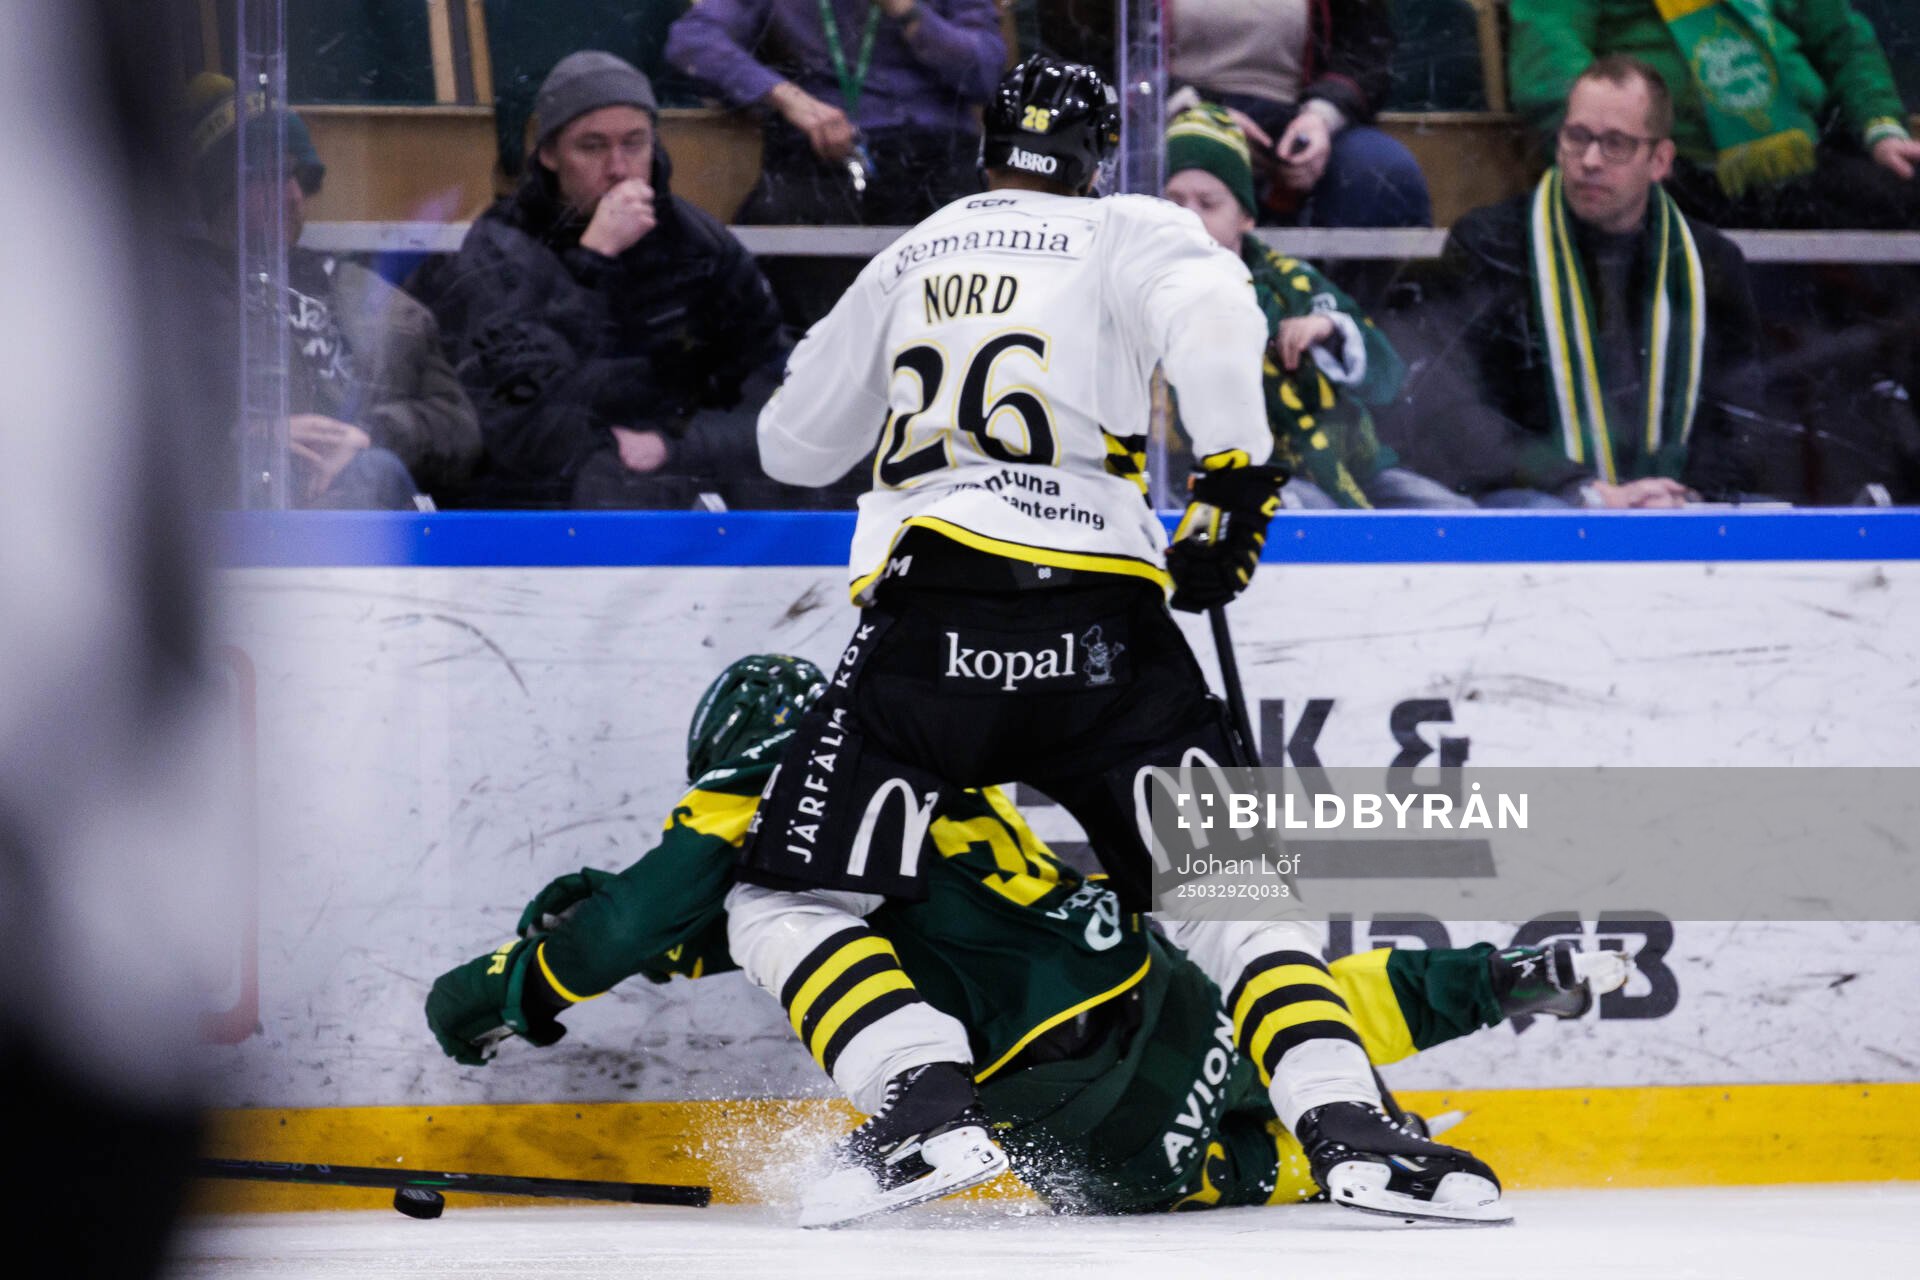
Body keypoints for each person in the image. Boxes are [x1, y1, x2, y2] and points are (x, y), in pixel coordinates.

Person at [711, 54, 1506, 1226]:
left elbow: (788, 445)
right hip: (1105, 625)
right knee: (1235, 896)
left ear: (987, 143)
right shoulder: (1133, 228)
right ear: (1101, 158)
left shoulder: (911, 253)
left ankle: (921, 1104)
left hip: (941, 619)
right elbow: (1220, 308)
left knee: (786, 901)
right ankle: (1347, 1122)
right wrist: (1235, 480)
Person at [425, 654, 1633, 1216]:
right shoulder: (925, 745)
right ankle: (1479, 994)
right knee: (1279, 985)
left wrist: (491, 992)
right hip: (1151, 990)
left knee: (759, 910)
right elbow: (657, 918)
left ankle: (935, 1106)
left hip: (1074, 1099)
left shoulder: (777, 773)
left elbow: (646, 921)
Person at [409, 52, 784, 508]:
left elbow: (774, 392)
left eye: (635, 143)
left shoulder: (701, 246)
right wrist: (593, 261)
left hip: (675, 460)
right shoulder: (500, 246)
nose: (619, 168)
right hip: (547, 485)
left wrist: (676, 446)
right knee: (604, 479)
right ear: (548, 154)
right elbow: (517, 415)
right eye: (592, 147)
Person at [1402, 57, 1766, 508]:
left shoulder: (1711, 263)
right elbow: (1454, 416)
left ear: (1660, 160)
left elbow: (1741, 422)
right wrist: (1583, 490)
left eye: (1615, 144)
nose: (1589, 161)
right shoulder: (1490, 245)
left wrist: (1683, 495)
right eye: (1577, 138)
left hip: (1672, 509)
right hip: (1534, 503)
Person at [184, 74, 479, 508]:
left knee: (375, 474)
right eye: (272, 176)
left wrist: (370, 435)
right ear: (223, 188)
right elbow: (125, 430)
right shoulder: (177, 296)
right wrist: (244, 433)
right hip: (258, 526)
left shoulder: (360, 290)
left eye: (301, 178)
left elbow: (460, 427)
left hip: (374, 507)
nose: (294, 195)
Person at [1162, 105, 1470, 509]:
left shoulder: (1296, 284)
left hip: (1354, 468)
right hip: (1240, 481)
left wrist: (1332, 331)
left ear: (1245, 217)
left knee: (1449, 514)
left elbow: (1388, 377)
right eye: (1173, 201)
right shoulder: (1143, 294)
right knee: (1312, 516)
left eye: (1208, 203)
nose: (1189, 218)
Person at [665, 0, 1006, 327]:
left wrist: (906, 10)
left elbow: (985, 74)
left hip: (933, 150)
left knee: (975, 243)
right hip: (820, 150)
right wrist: (788, 98)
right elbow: (692, 42)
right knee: (777, 233)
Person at [1509, 0, 1920, 229]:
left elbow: (1844, 39)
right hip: (1666, 170)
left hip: (1799, 160)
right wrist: (1615, 148)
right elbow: (1550, 55)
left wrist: (1881, 129)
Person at [1164, 0, 1431, 228]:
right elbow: (1127, 55)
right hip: (1174, 116)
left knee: (1382, 175)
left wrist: (1320, 118)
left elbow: (1366, 52)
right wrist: (1202, 117)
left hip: (1298, 117)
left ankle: (1329, 290)